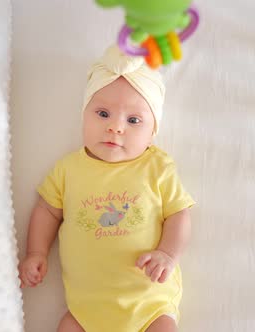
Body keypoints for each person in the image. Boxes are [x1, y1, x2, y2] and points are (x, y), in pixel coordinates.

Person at [18, 45, 195, 332]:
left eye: (133, 120)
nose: (116, 127)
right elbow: (47, 211)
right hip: (86, 309)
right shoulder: (68, 169)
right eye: (102, 114)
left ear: (152, 132)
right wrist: (36, 252)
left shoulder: (157, 167)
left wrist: (167, 254)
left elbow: (179, 214)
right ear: (83, 115)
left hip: (149, 304)